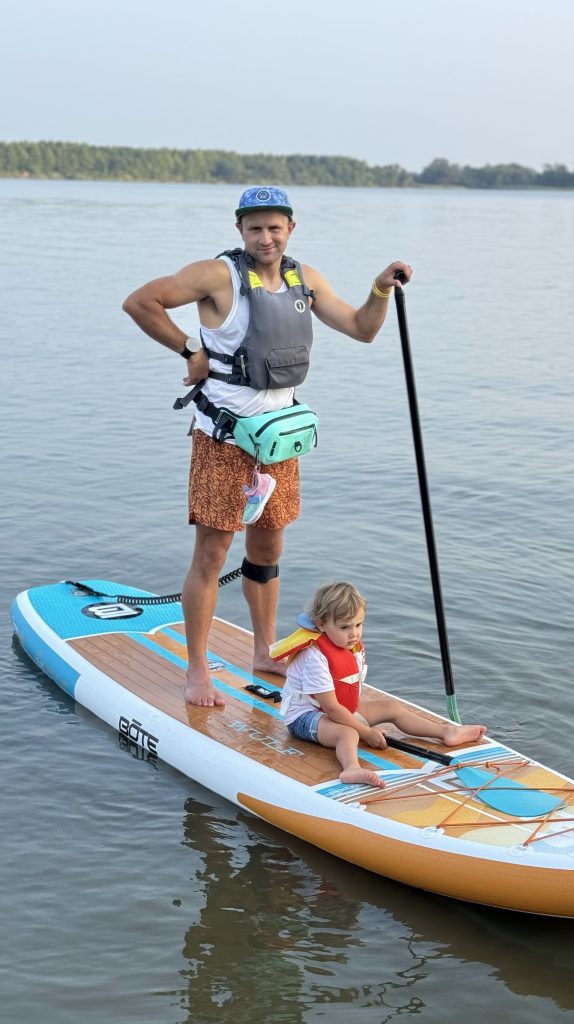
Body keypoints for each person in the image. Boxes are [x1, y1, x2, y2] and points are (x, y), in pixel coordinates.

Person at [123, 186, 412, 708]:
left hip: (279, 441)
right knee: (212, 555)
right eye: (254, 227)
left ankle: (263, 650)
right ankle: (196, 670)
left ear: (290, 229)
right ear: (240, 231)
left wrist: (379, 290)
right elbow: (140, 302)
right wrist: (189, 347)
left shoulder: (305, 278)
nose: (265, 237)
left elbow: (362, 329)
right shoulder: (219, 276)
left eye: (275, 227)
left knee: (268, 548)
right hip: (224, 440)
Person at [271, 582, 487, 789]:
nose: (354, 633)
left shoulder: (347, 645)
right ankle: (351, 769)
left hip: (334, 713)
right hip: (304, 717)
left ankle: (446, 732)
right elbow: (331, 708)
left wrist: (363, 723)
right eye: (344, 627)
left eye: (358, 624)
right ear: (321, 624)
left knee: (391, 707)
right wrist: (366, 732)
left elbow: (344, 698)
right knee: (349, 733)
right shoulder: (314, 657)